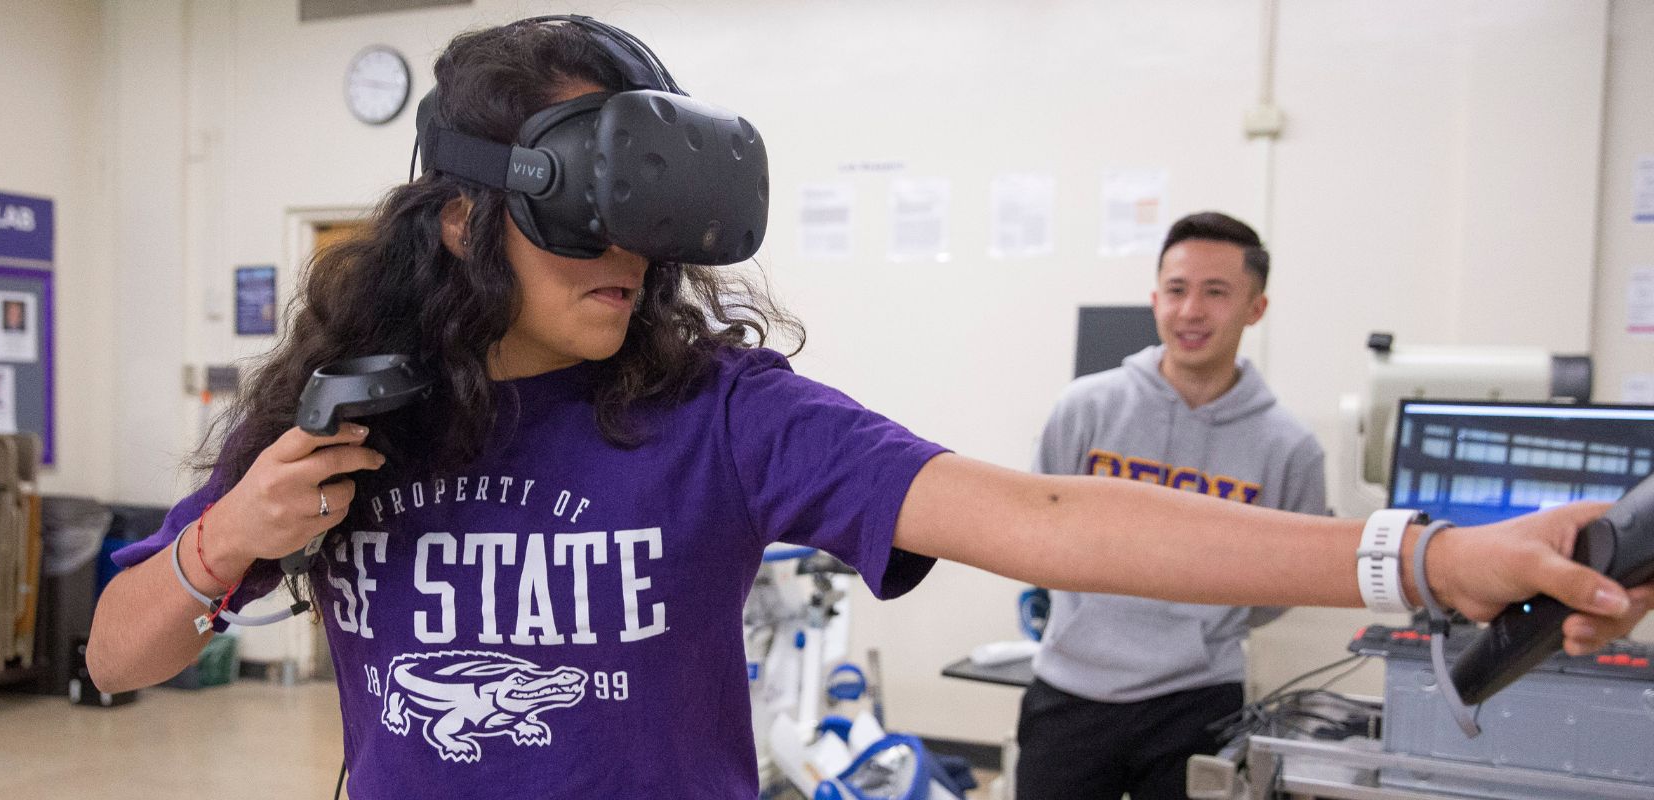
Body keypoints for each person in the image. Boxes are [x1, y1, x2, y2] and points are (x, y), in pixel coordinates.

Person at [86, 18, 1652, 799]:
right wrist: (227, 538)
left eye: (655, 218)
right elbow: (119, 657)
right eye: (588, 215)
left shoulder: (719, 411)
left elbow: (1043, 517)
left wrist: (1438, 559)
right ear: (456, 221)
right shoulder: (347, 423)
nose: (631, 259)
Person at [1017, 211, 1321, 800]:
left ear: (1255, 308)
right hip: (1071, 692)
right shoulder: (1085, 409)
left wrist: (1201, 626)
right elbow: (1036, 531)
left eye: (1216, 293)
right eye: (1177, 291)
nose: (1190, 312)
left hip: (1199, 701)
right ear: (1155, 297)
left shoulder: (1290, 446)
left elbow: (1286, 584)